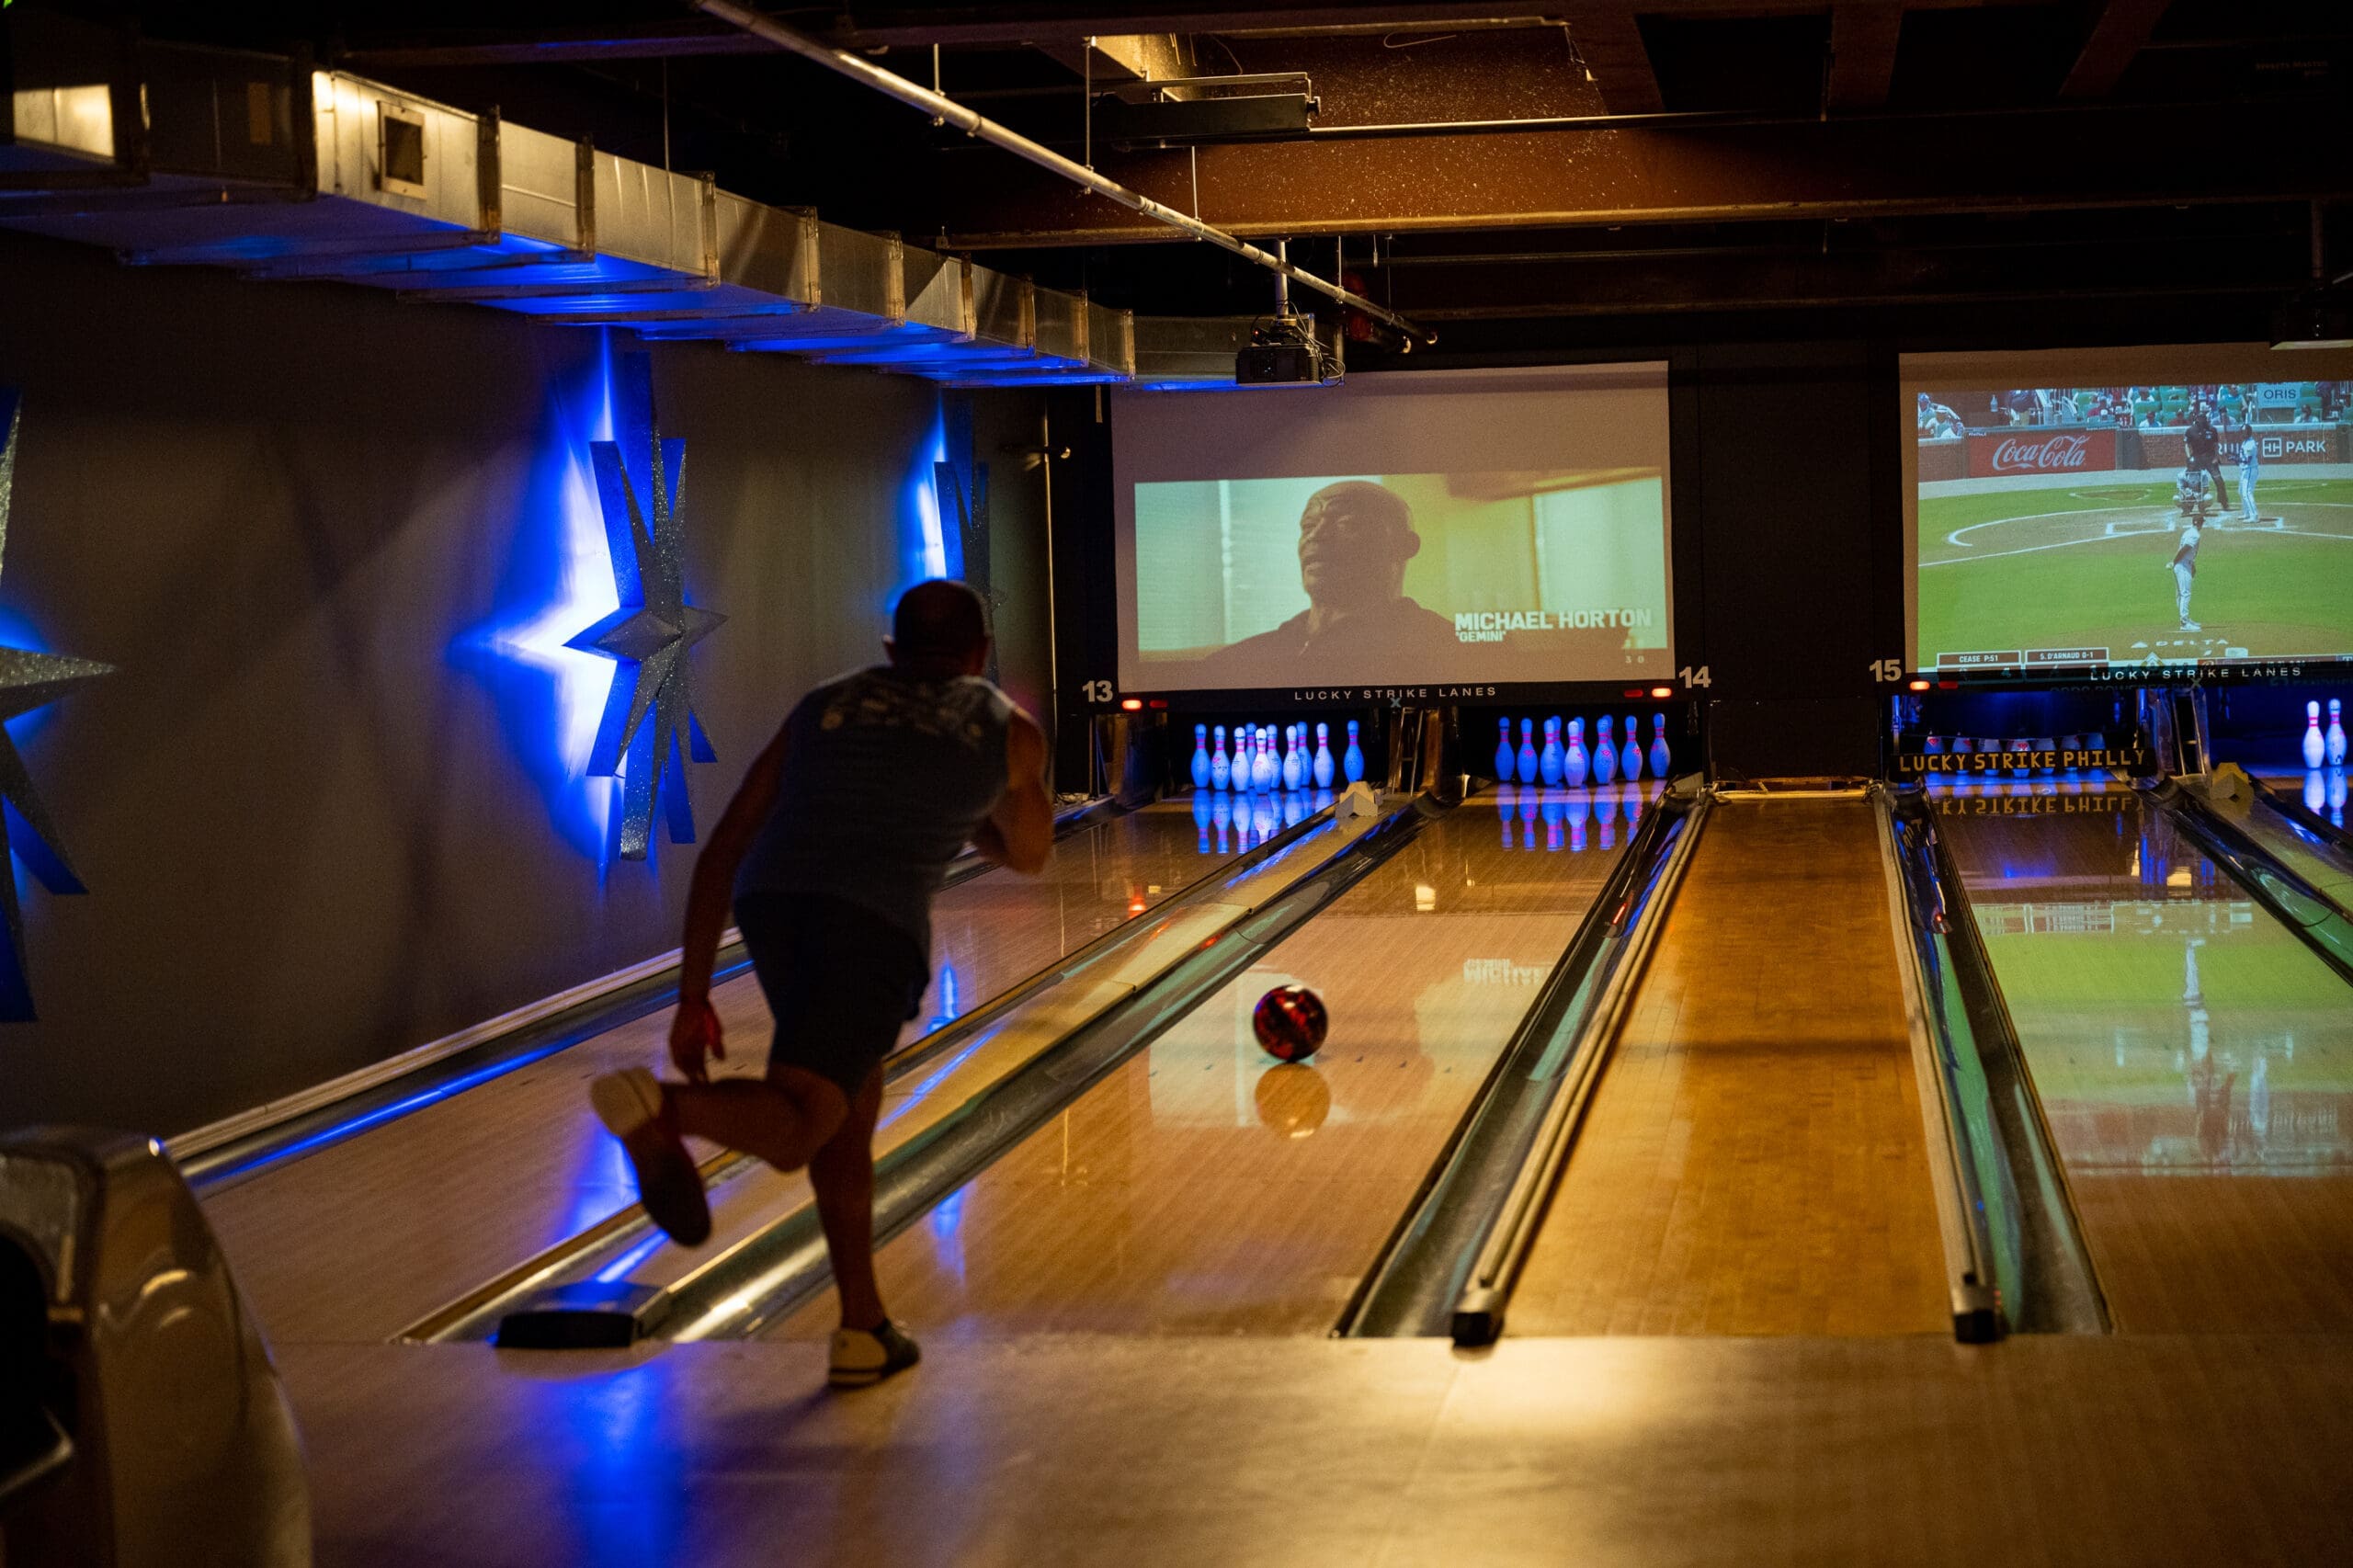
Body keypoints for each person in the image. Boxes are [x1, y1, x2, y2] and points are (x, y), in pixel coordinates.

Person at [589, 580, 1053, 1389]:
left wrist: (693, 994)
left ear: (889, 650)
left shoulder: (824, 707)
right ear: (980, 655)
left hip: (772, 906)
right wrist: (972, 809)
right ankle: (661, 1111)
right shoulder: (1010, 734)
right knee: (804, 1124)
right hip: (870, 930)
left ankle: (862, 1327)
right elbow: (1031, 853)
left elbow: (729, 841)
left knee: (848, 1111)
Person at [1199, 480, 1459, 682]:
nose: (1316, 536)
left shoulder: (1445, 649)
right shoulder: (1235, 663)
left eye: (1347, 524)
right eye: (1308, 526)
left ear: (1404, 546)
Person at [2182, 402, 2231, 513]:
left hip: (2209, 458)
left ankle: (2224, 502)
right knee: (2193, 482)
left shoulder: (2212, 430)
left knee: (2218, 479)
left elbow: (2215, 445)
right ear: (2196, 418)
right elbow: (2186, 445)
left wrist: (2216, 457)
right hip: (2197, 458)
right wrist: (2189, 457)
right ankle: (2189, 505)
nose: (2202, 419)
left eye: (2203, 417)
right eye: (2200, 417)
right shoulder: (2190, 430)